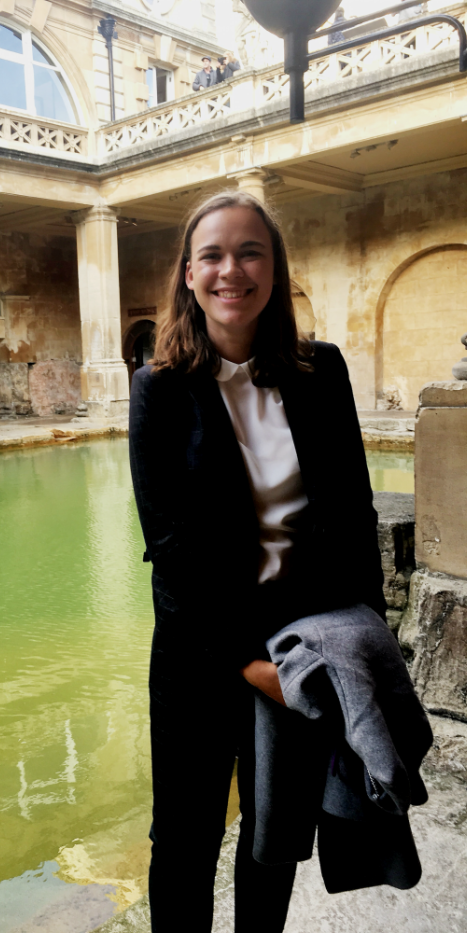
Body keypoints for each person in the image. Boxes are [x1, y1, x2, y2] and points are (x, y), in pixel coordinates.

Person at [129, 191, 390, 932]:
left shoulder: (322, 371)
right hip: (201, 649)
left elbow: (354, 514)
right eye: (211, 254)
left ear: (274, 270)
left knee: (273, 832)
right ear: (187, 273)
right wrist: (248, 662)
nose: (230, 270)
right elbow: (171, 549)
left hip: (303, 643)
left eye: (250, 252)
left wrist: (362, 637)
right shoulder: (158, 389)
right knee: (185, 836)